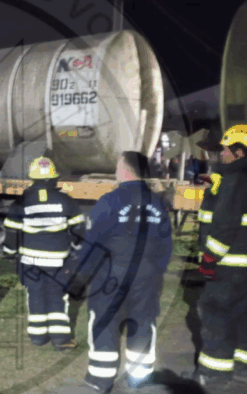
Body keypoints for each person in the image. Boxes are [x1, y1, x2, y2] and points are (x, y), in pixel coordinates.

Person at [58, 151, 173, 394]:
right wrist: (156, 275)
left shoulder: (109, 201)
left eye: (118, 166)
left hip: (110, 277)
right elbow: (165, 247)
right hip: (146, 277)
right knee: (142, 324)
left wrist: (82, 276)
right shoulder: (158, 204)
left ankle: (100, 380)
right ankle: (140, 381)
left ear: (126, 170)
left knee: (104, 324)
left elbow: (93, 245)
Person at [183, 124, 247, 390]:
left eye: (226, 149)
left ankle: (214, 375)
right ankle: (243, 366)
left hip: (233, 262)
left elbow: (225, 226)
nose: (221, 153)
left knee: (215, 312)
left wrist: (209, 260)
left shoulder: (235, 179)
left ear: (240, 152)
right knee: (245, 309)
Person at [2, 156, 86, 352]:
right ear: (53, 178)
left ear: (32, 178)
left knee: (35, 295)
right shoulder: (66, 201)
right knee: (57, 296)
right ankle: (60, 339)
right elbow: (79, 231)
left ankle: (38, 336)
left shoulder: (21, 202)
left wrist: (9, 252)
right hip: (58, 261)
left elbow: (12, 232)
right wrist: (77, 249)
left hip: (30, 262)